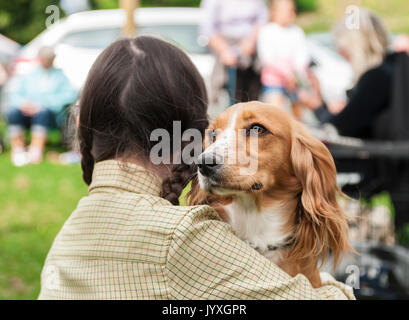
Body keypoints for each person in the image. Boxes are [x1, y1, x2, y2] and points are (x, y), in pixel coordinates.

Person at [38, 36, 354, 300]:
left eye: (254, 130)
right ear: (187, 134)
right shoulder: (184, 238)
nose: (212, 153)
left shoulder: (66, 237)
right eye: (212, 135)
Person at [298, 8, 409, 233]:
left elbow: (341, 128)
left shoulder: (377, 77)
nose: (340, 52)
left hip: (386, 169)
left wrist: (317, 107)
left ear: (354, 47)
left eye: (343, 47)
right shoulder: (392, 70)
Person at [6, 46, 77, 166]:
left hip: (50, 114)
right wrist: (24, 104)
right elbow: (15, 94)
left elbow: (70, 95)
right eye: (44, 58)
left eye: (48, 58)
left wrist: (44, 104)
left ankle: (35, 150)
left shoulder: (60, 75)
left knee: (42, 113)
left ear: (53, 59)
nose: (46, 61)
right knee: (13, 112)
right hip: (27, 112)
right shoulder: (30, 75)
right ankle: (18, 150)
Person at [200, 0, 268, 105]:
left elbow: (262, 21)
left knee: (252, 88)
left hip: (251, 45)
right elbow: (208, 29)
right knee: (224, 84)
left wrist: (250, 42)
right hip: (223, 45)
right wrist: (225, 51)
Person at [258, 0, 310, 117]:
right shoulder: (267, 31)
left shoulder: (296, 31)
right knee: (275, 113)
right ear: (275, 12)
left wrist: (295, 75)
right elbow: (267, 58)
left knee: (298, 114)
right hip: (274, 81)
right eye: (289, 11)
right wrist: (287, 74)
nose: (292, 14)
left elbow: (302, 55)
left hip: (295, 82)